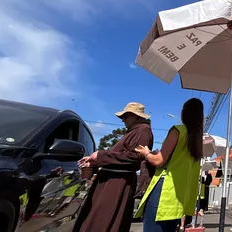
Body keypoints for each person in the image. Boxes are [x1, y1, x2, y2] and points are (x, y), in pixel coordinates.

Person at [73, 102, 154, 232]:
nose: (123, 119)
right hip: (112, 180)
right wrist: (95, 161)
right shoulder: (134, 131)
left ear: (137, 117)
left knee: (103, 221)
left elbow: (134, 157)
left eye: (126, 116)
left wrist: (100, 155)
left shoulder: (142, 131)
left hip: (118, 182)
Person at [134, 98, 204, 232]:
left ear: (185, 113)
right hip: (179, 197)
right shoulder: (197, 142)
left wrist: (146, 153)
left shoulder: (178, 131)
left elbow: (158, 161)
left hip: (163, 192)